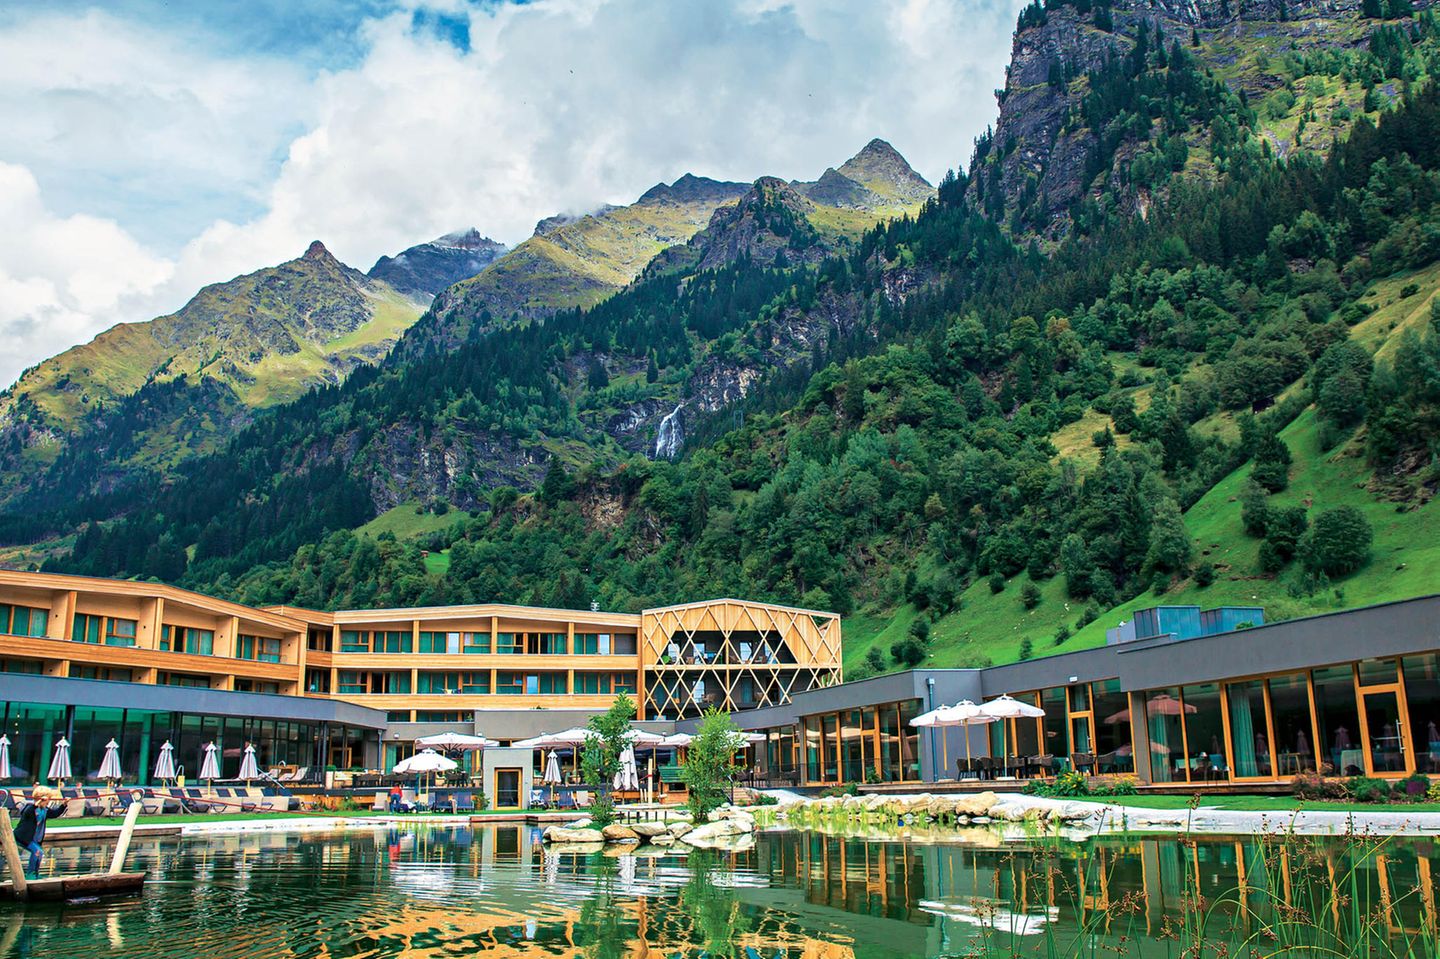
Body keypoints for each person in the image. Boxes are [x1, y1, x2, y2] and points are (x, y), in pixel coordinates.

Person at [13, 786, 63, 879]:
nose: (49, 801)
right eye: (48, 799)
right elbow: (28, 812)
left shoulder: (45, 810)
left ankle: (35, 874)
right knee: (37, 851)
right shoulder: (30, 807)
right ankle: (30, 875)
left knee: (39, 853)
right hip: (23, 837)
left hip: (33, 838)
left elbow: (55, 814)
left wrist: (64, 804)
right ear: (42, 798)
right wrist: (38, 802)